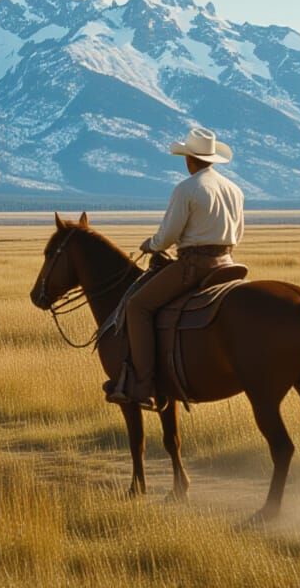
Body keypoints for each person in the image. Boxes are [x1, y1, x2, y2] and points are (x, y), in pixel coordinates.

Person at [108, 127, 244, 410]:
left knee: (137, 307)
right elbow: (238, 232)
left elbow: (168, 235)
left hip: (194, 267)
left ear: (188, 159)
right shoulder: (234, 190)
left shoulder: (188, 188)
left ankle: (144, 384)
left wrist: (152, 244)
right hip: (228, 263)